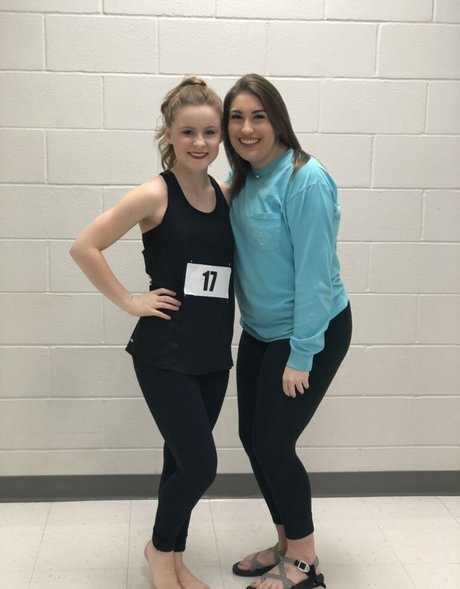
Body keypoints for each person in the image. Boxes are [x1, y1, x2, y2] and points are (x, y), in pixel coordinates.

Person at [70, 77, 234, 589]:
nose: (200, 142)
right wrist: (130, 301)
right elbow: (85, 246)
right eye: (188, 132)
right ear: (169, 133)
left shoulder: (224, 194)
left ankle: (174, 558)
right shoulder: (154, 193)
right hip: (165, 351)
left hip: (213, 352)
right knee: (201, 465)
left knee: (179, 461)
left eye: (210, 132)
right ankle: (159, 552)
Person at [222, 74, 352, 589]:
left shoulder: (305, 180)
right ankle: (286, 542)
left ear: (277, 119)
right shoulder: (245, 178)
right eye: (236, 117)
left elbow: (316, 277)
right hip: (259, 332)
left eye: (258, 116)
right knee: (252, 438)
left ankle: (305, 562)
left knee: (274, 443)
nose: (247, 128)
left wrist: (302, 354)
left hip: (309, 331)